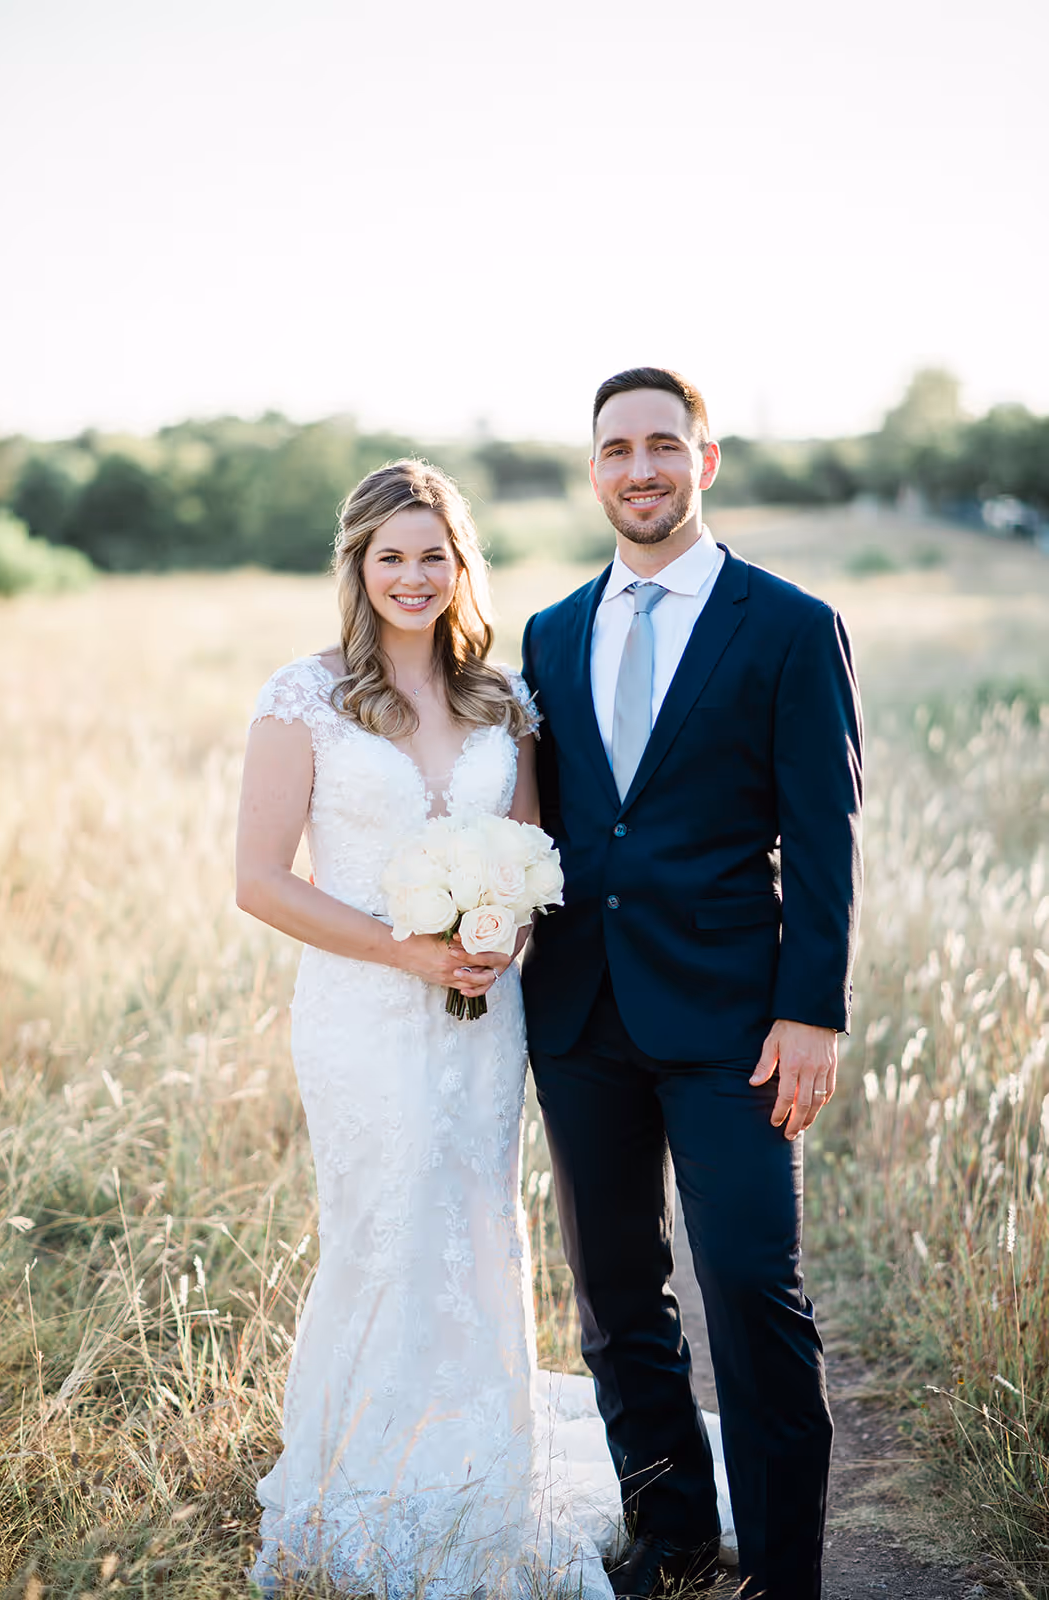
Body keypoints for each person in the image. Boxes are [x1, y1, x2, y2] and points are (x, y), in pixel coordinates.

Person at [236, 459, 728, 1596]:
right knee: (386, 1223)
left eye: (434, 555)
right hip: (363, 1012)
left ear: (464, 566)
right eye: (391, 556)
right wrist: (404, 949)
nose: (414, 576)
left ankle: (482, 1481)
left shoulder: (503, 699)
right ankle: (367, 1483)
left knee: (474, 1224)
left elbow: (533, 857)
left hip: (480, 1016)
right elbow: (262, 881)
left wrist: (498, 934)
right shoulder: (301, 697)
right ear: (357, 567)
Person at [520, 368, 864, 1600]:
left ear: (705, 460)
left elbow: (826, 835)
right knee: (618, 1298)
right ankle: (671, 1539)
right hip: (580, 1016)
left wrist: (813, 1007)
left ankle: (785, 1576)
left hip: (737, 1023)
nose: (640, 469)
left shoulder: (786, 622)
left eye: (664, 444)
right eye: (617, 450)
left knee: (755, 1299)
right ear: (594, 469)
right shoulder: (553, 631)